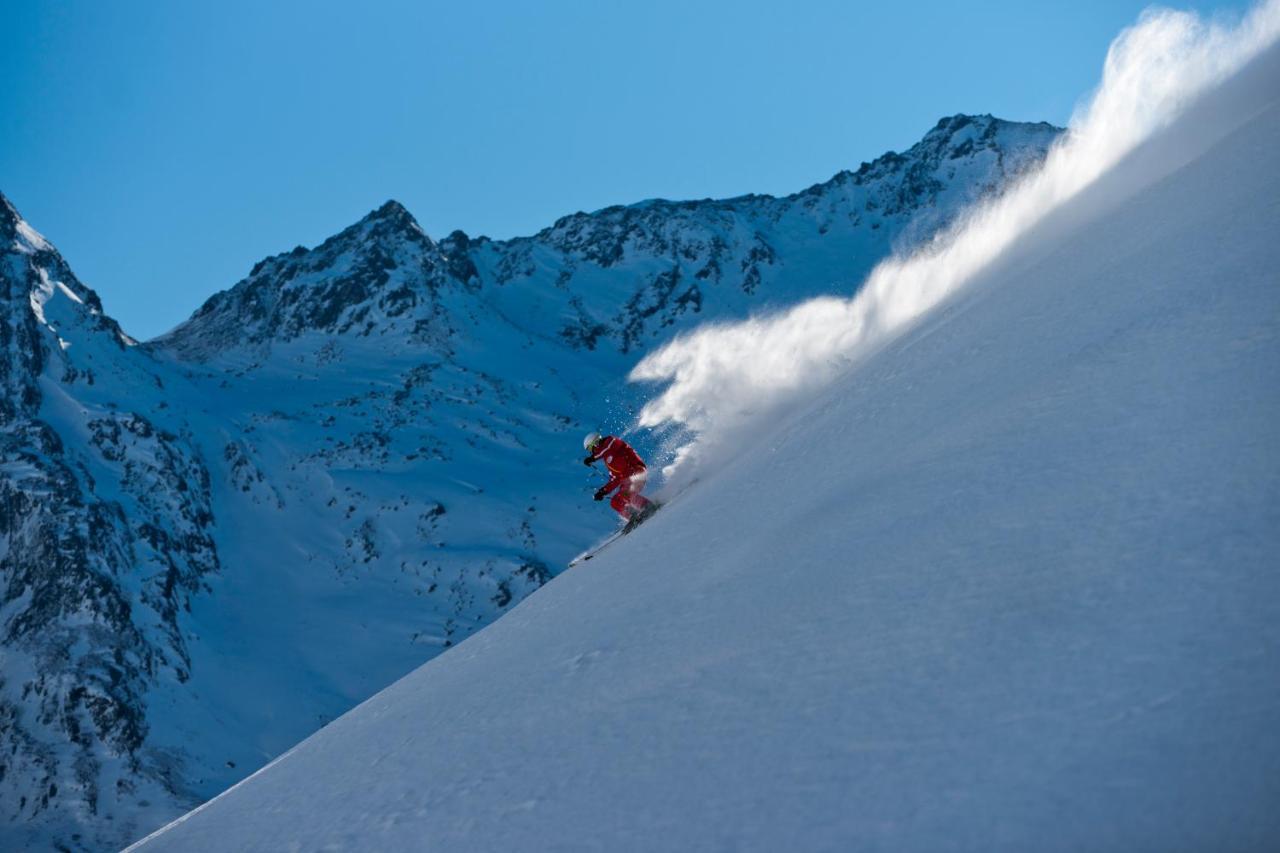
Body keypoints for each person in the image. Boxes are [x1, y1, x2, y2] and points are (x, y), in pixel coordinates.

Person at [583, 431, 654, 526]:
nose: (591, 452)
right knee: (615, 501)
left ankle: (648, 507)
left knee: (625, 495)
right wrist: (602, 491)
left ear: (595, 443)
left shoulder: (611, 442)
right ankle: (633, 516)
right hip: (628, 480)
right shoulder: (608, 460)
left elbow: (606, 449)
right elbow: (615, 479)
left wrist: (593, 458)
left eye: (591, 448)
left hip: (636, 471)